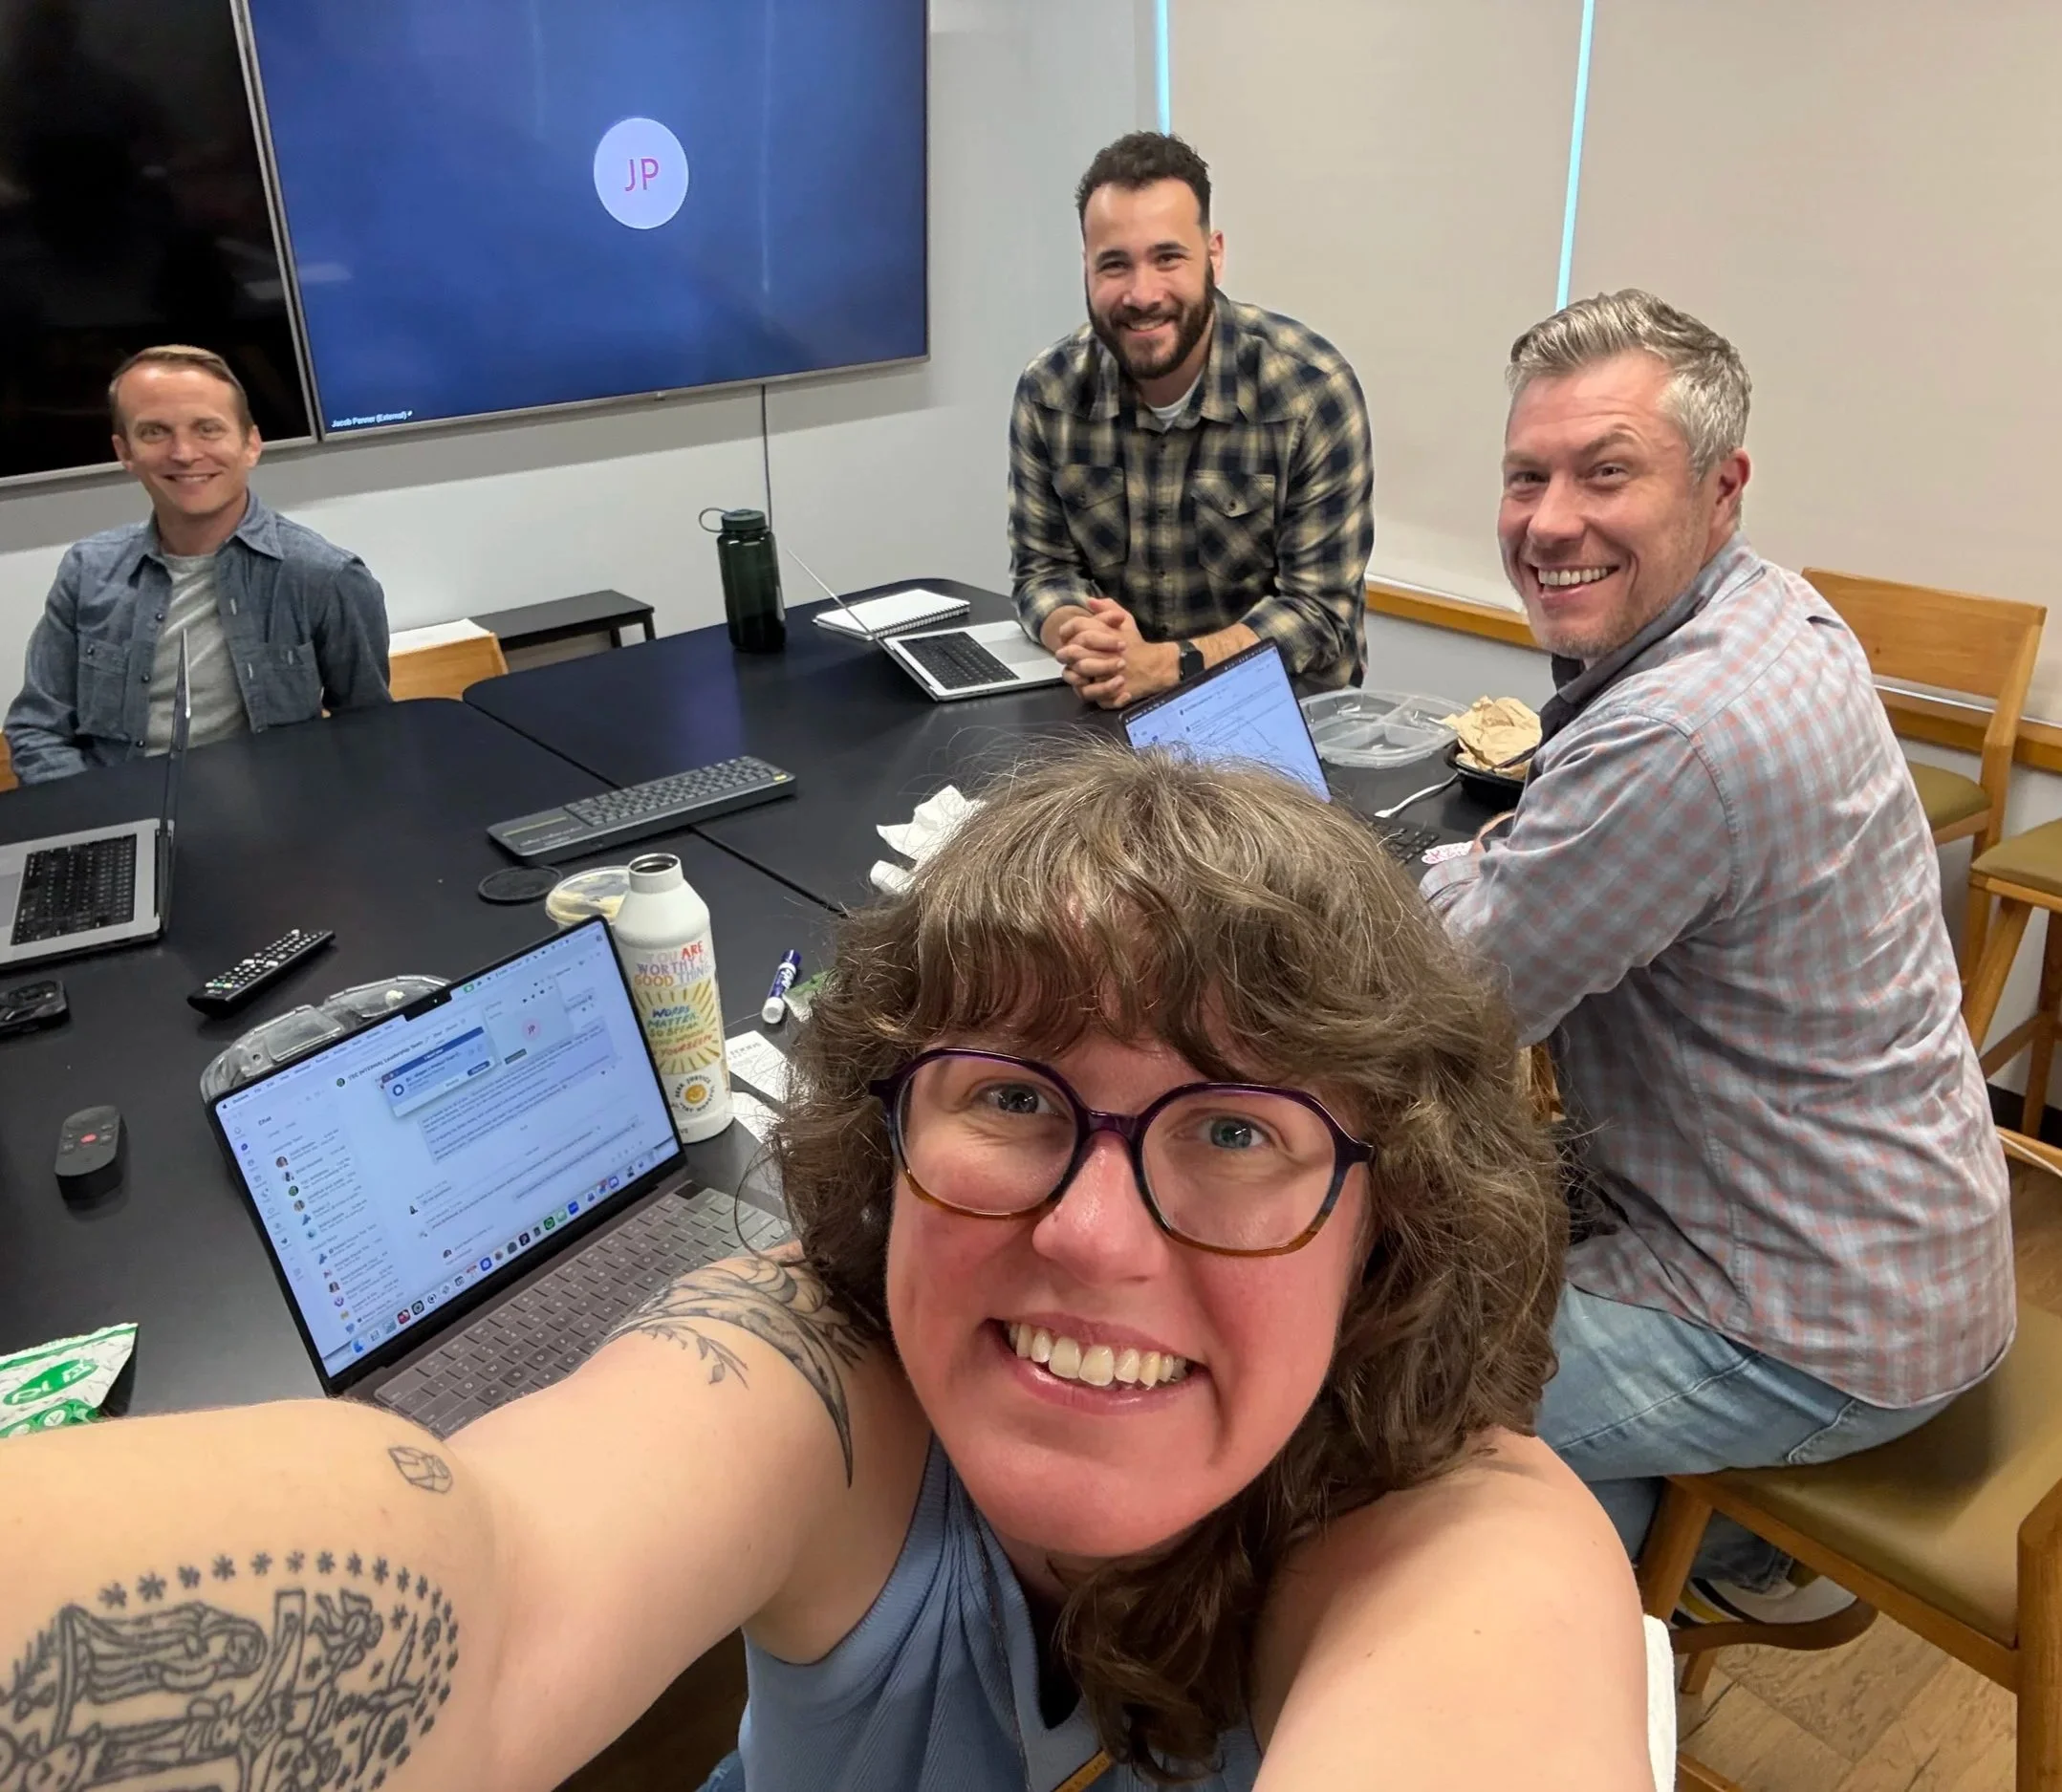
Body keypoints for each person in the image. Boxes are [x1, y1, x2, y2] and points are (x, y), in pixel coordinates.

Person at [0, 748, 1651, 1790]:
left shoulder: (1461, 1530)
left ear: (1391, 1218)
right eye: (1010, 1096)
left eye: (1232, 1135)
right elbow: (486, 1579)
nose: (1087, 1233)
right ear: (886, 1138)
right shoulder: (821, 1369)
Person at [1422, 289, 2015, 1608]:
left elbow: (1454, 997)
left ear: (1720, 486)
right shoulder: (1764, 610)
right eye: (1526, 475)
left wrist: (1449, 867)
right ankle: (1659, 1542)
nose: (1549, 519)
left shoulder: (1683, 735)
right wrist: (1502, 858)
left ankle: (1720, 1548)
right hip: (1891, 1233)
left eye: (1606, 471)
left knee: (1377, 1396)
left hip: (1809, 1320)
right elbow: (1535, 873)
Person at [1009, 133, 1373, 709]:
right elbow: (1040, 572)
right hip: (1116, 715)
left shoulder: (1310, 392)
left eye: (1167, 257)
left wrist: (1171, 665)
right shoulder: (1048, 392)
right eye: (1114, 265)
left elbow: (1319, 613)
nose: (1142, 293)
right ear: (1086, 267)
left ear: (1214, 255)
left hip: (1277, 718)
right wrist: (1084, 635)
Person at [4, 345, 391, 784]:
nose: (184, 453)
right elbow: (38, 729)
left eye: (208, 429)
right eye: (154, 432)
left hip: (279, 822)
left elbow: (367, 735)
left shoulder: (326, 578)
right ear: (124, 451)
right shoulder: (87, 570)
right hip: (113, 815)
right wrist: (96, 822)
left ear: (251, 444)